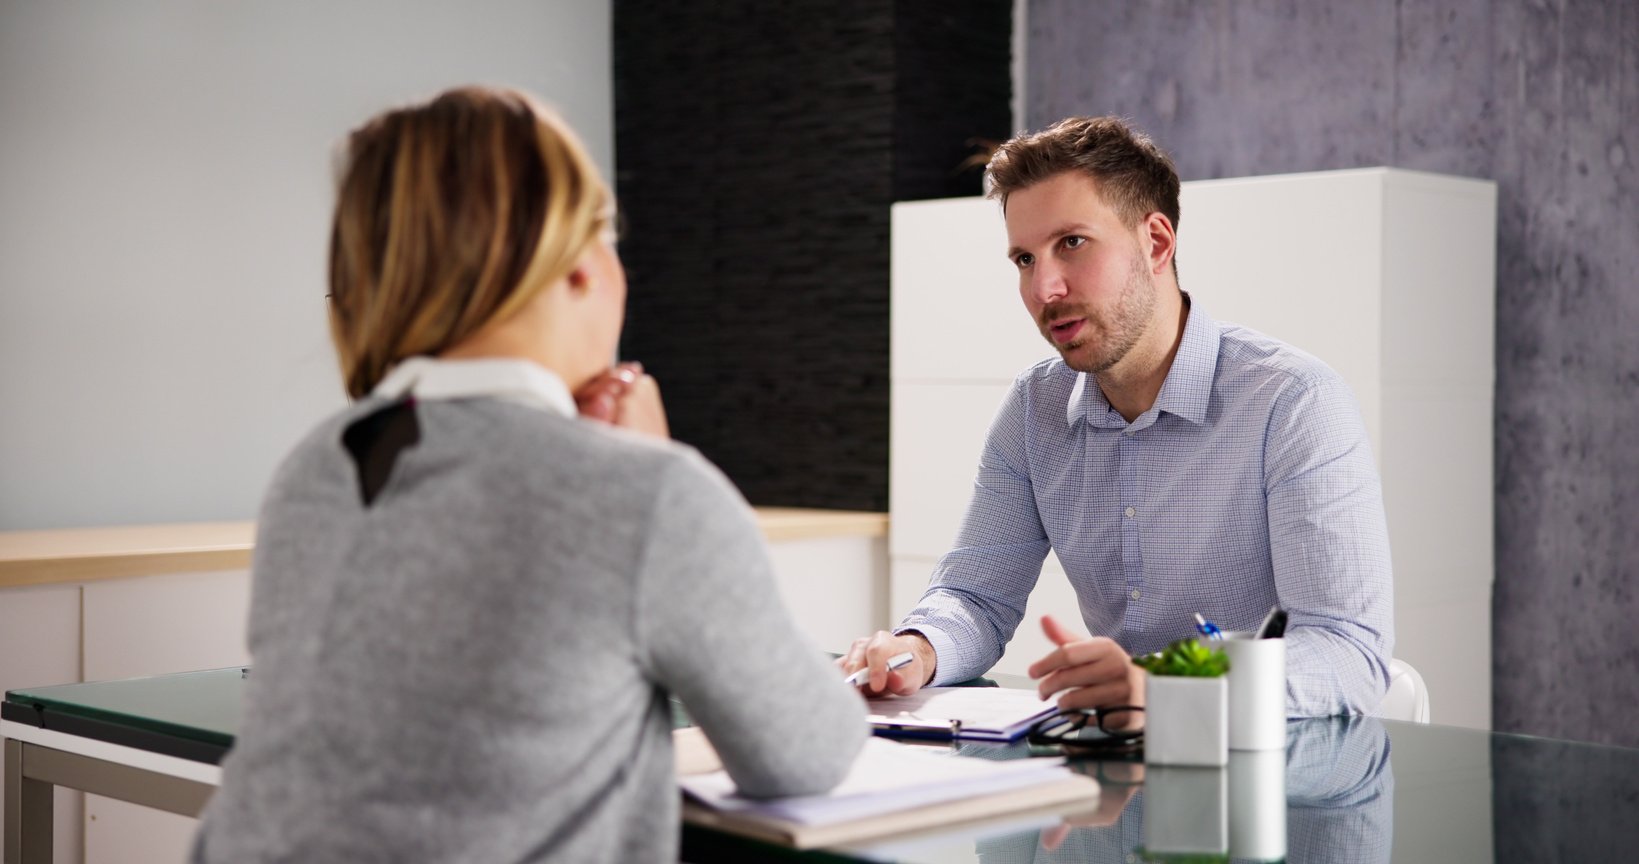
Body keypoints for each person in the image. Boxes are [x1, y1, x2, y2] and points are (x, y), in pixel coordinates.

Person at [191, 86, 866, 863]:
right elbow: (808, 753)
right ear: (580, 267)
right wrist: (640, 463)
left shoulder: (316, 467)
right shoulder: (646, 495)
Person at [841, 116, 1393, 719]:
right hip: (1115, 775)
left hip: (1279, 783)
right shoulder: (1033, 411)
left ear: (1156, 242)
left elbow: (1346, 652)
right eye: (1025, 259)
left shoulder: (1294, 402)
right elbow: (977, 597)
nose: (1045, 288)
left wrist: (1167, 685)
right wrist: (916, 649)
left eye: (1071, 243)